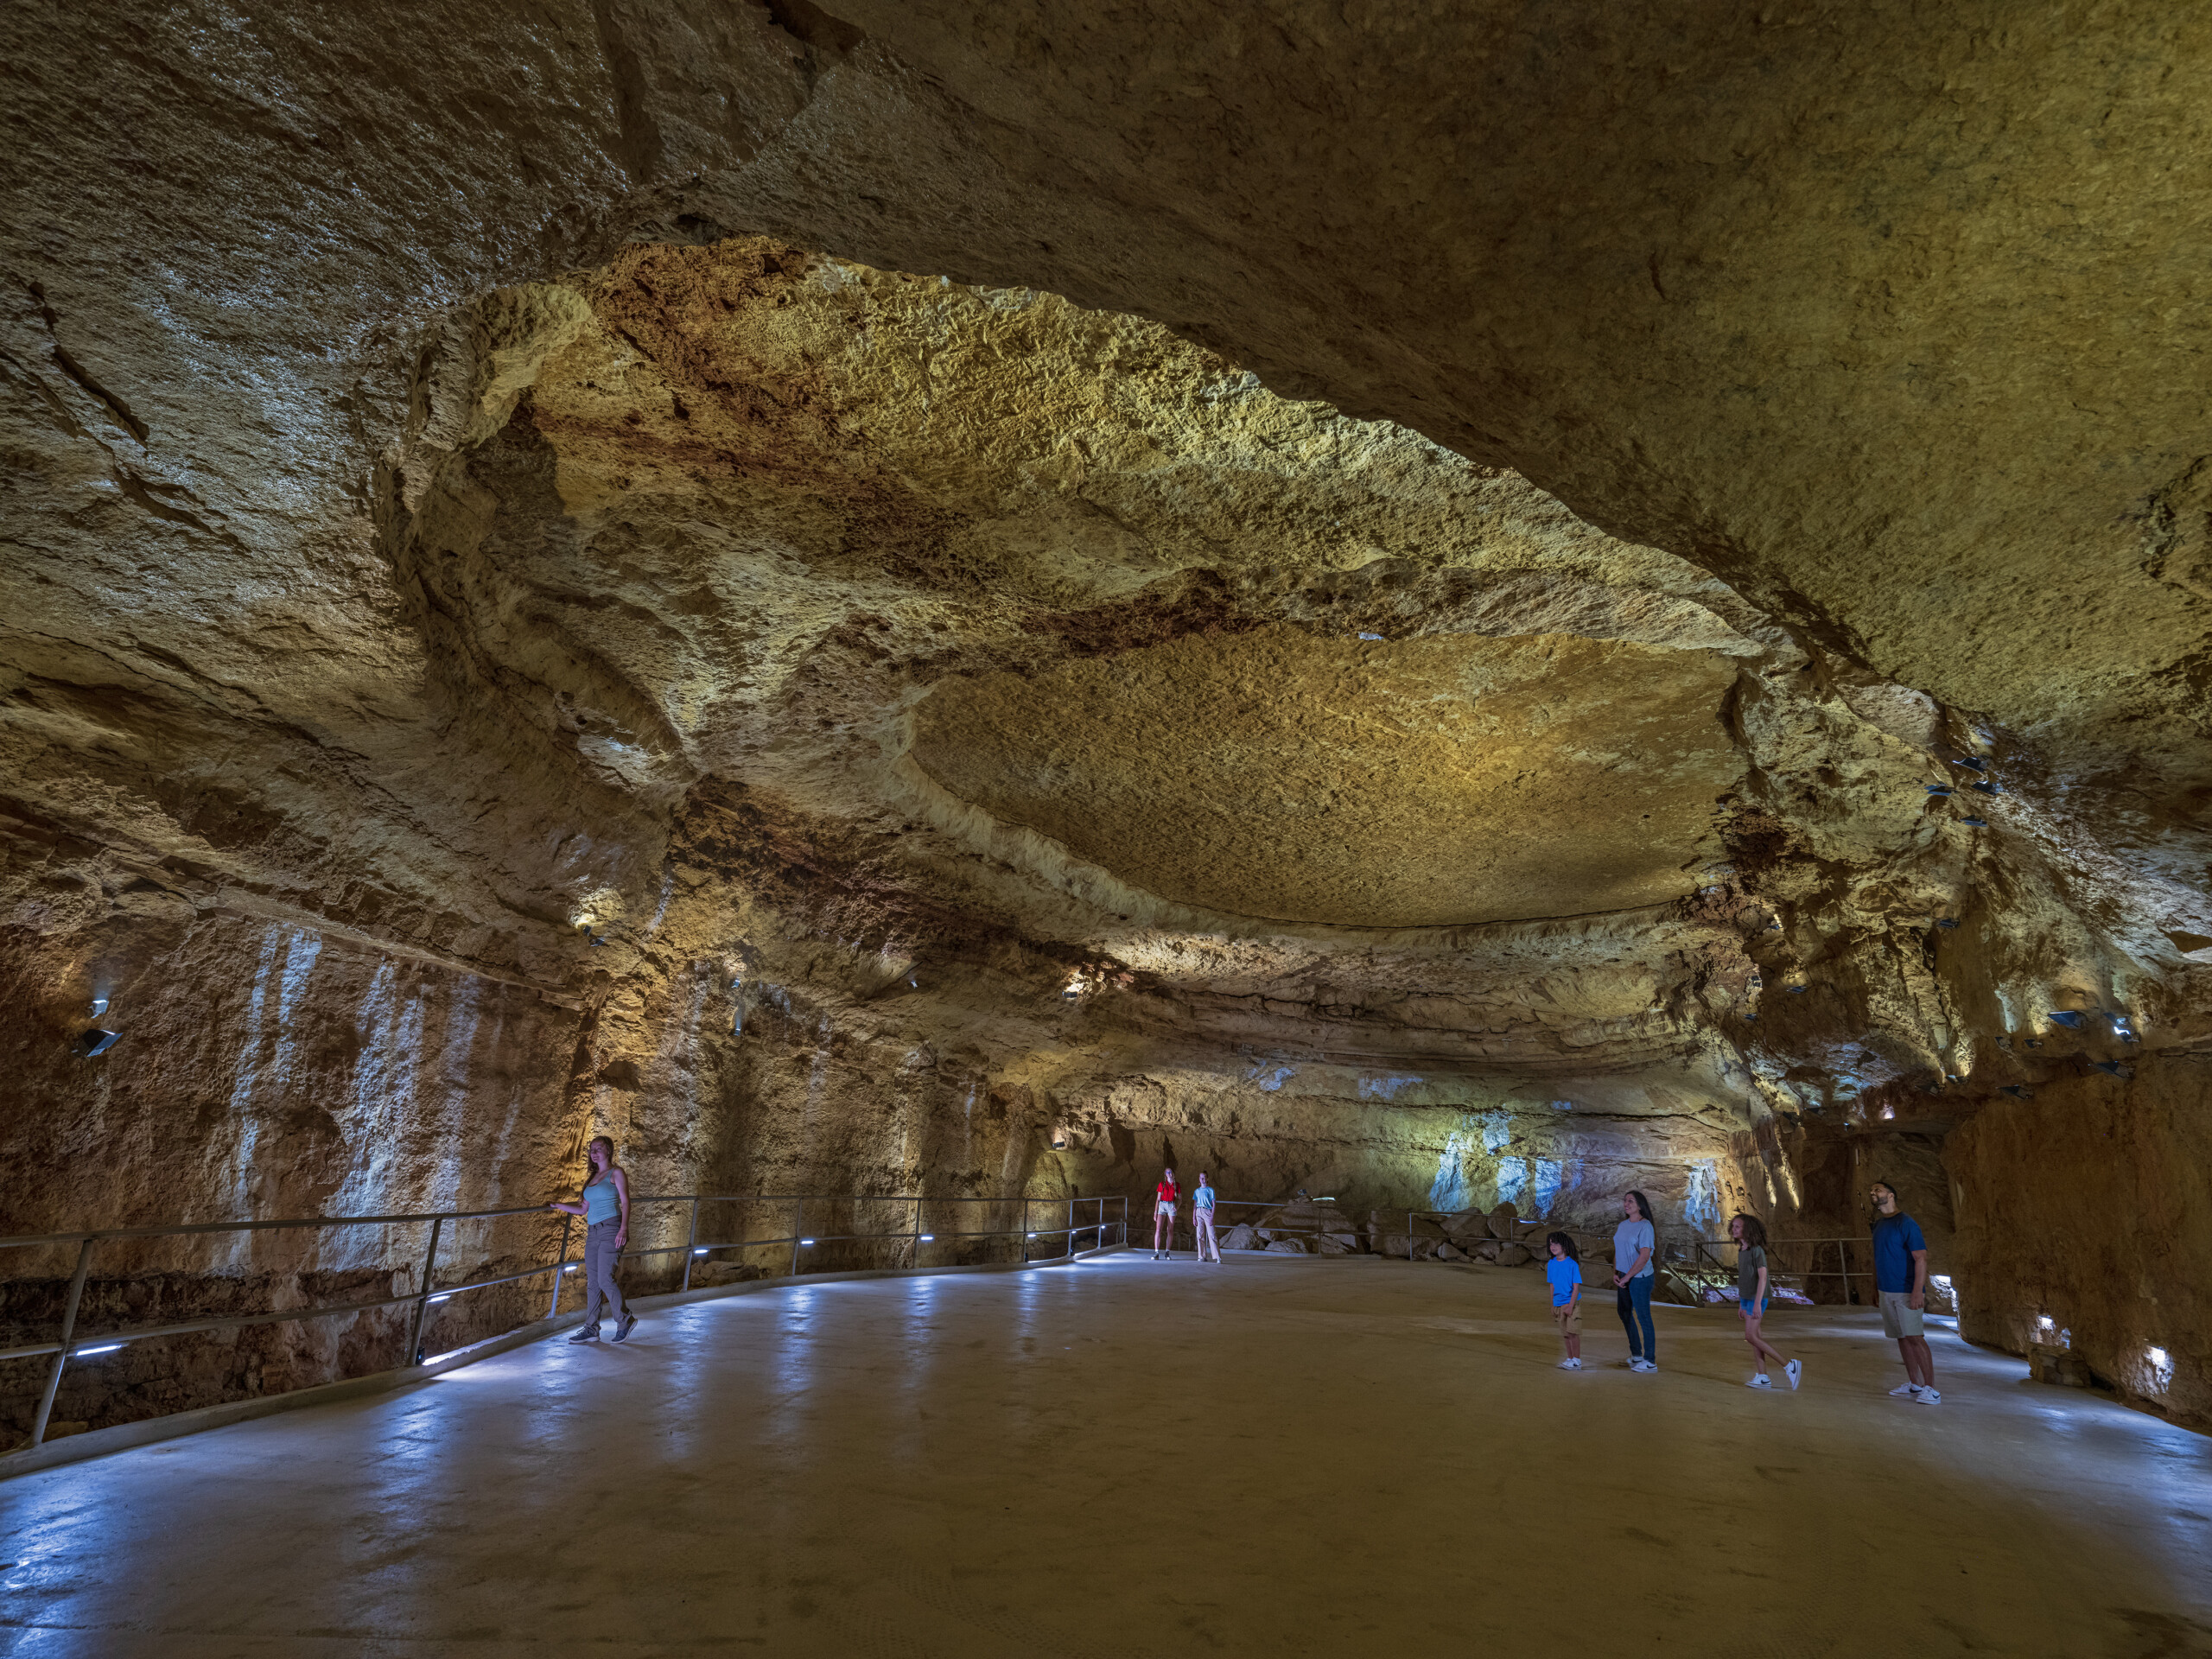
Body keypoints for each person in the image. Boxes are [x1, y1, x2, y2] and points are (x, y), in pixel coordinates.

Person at [548, 1135, 636, 1343]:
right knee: (593, 1283)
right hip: (593, 1232)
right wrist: (559, 1205)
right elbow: (582, 1209)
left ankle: (625, 1320)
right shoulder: (592, 1178)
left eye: (598, 1148)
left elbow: (626, 1202)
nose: (594, 1152)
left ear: (608, 1151)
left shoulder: (616, 1173)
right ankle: (591, 1329)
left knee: (606, 1279)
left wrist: (624, 1228)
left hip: (611, 1229)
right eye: (591, 1149)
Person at [1870, 1179, 1937, 1402]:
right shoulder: (1879, 1225)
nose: (1873, 1192)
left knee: (1915, 1337)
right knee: (1901, 1337)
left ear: (1891, 1196)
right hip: (1886, 1290)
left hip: (1906, 1290)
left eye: (1877, 1190)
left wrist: (1918, 1291)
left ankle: (1931, 1389)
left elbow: (1921, 1257)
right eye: (1871, 1190)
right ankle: (1915, 1385)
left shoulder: (1906, 1222)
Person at [1729, 1212, 1801, 1390]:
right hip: (1747, 1299)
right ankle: (1763, 1377)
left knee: (1750, 1336)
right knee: (1756, 1338)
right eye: (1733, 1226)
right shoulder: (1742, 1250)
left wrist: (1757, 1303)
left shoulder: (1756, 1250)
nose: (1733, 1229)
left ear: (1748, 1229)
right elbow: (1744, 1278)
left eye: (1737, 1226)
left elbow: (1763, 1278)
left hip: (1757, 1299)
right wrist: (1741, 1302)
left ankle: (1789, 1366)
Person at [1611, 1190, 1658, 1372]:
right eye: (1625, 1200)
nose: (1626, 1203)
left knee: (1643, 1316)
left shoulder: (1645, 1226)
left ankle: (1650, 1360)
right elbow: (1618, 1249)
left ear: (1640, 1205)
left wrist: (1628, 1276)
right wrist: (1615, 1271)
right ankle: (1636, 1354)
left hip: (1640, 1278)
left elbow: (1645, 1255)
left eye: (1631, 1201)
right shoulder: (1623, 1225)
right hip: (1624, 1275)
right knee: (1623, 1312)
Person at [1544, 1231, 1584, 1369]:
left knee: (1573, 1332)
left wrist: (1571, 1306)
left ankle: (1577, 1360)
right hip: (1559, 1303)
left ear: (1565, 1246)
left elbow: (1576, 1287)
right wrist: (1553, 1304)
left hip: (1571, 1304)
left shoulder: (1572, 1265)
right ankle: (1570, 1358)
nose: (1552, 1246)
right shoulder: (1551, 1264)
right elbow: (1552, 1285)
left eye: (1556, 1243)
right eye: (1550, 1244)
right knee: (1565, 1333)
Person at [1192, 1173, 1221, 1262]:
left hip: (1207, 1211)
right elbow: (1195, 1205)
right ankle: (1202, 1256)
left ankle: (1217, 1257)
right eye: (1201, 1178)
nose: (1203, 1179)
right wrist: (1194, 1217)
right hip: (1199, 1212)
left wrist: (1212, 1216)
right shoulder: (1197, 1191)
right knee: (1200, 1235)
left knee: (1212, 1234)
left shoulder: (1210, 1190)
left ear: (1207, 1179)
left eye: (1204, 1178)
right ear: (1199, 1179)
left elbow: (1214, 1204)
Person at [1151, 1167, 1179, 1259]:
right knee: (1158, 1229)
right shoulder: (1162, 1184)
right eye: (1167, 1172)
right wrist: (1155, 1212)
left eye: (1171, 1172)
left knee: (1170, 1229)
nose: (1169, 1173)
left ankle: (1167, 1252)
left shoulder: (1176, 1185)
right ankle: (1156, 1252)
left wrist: (1176, 1207)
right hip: (1162, 1205)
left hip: (1171, 1205)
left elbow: (1180, 1199)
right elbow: (1158, 1199)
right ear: (1165, 1174)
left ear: (1173, 1173)